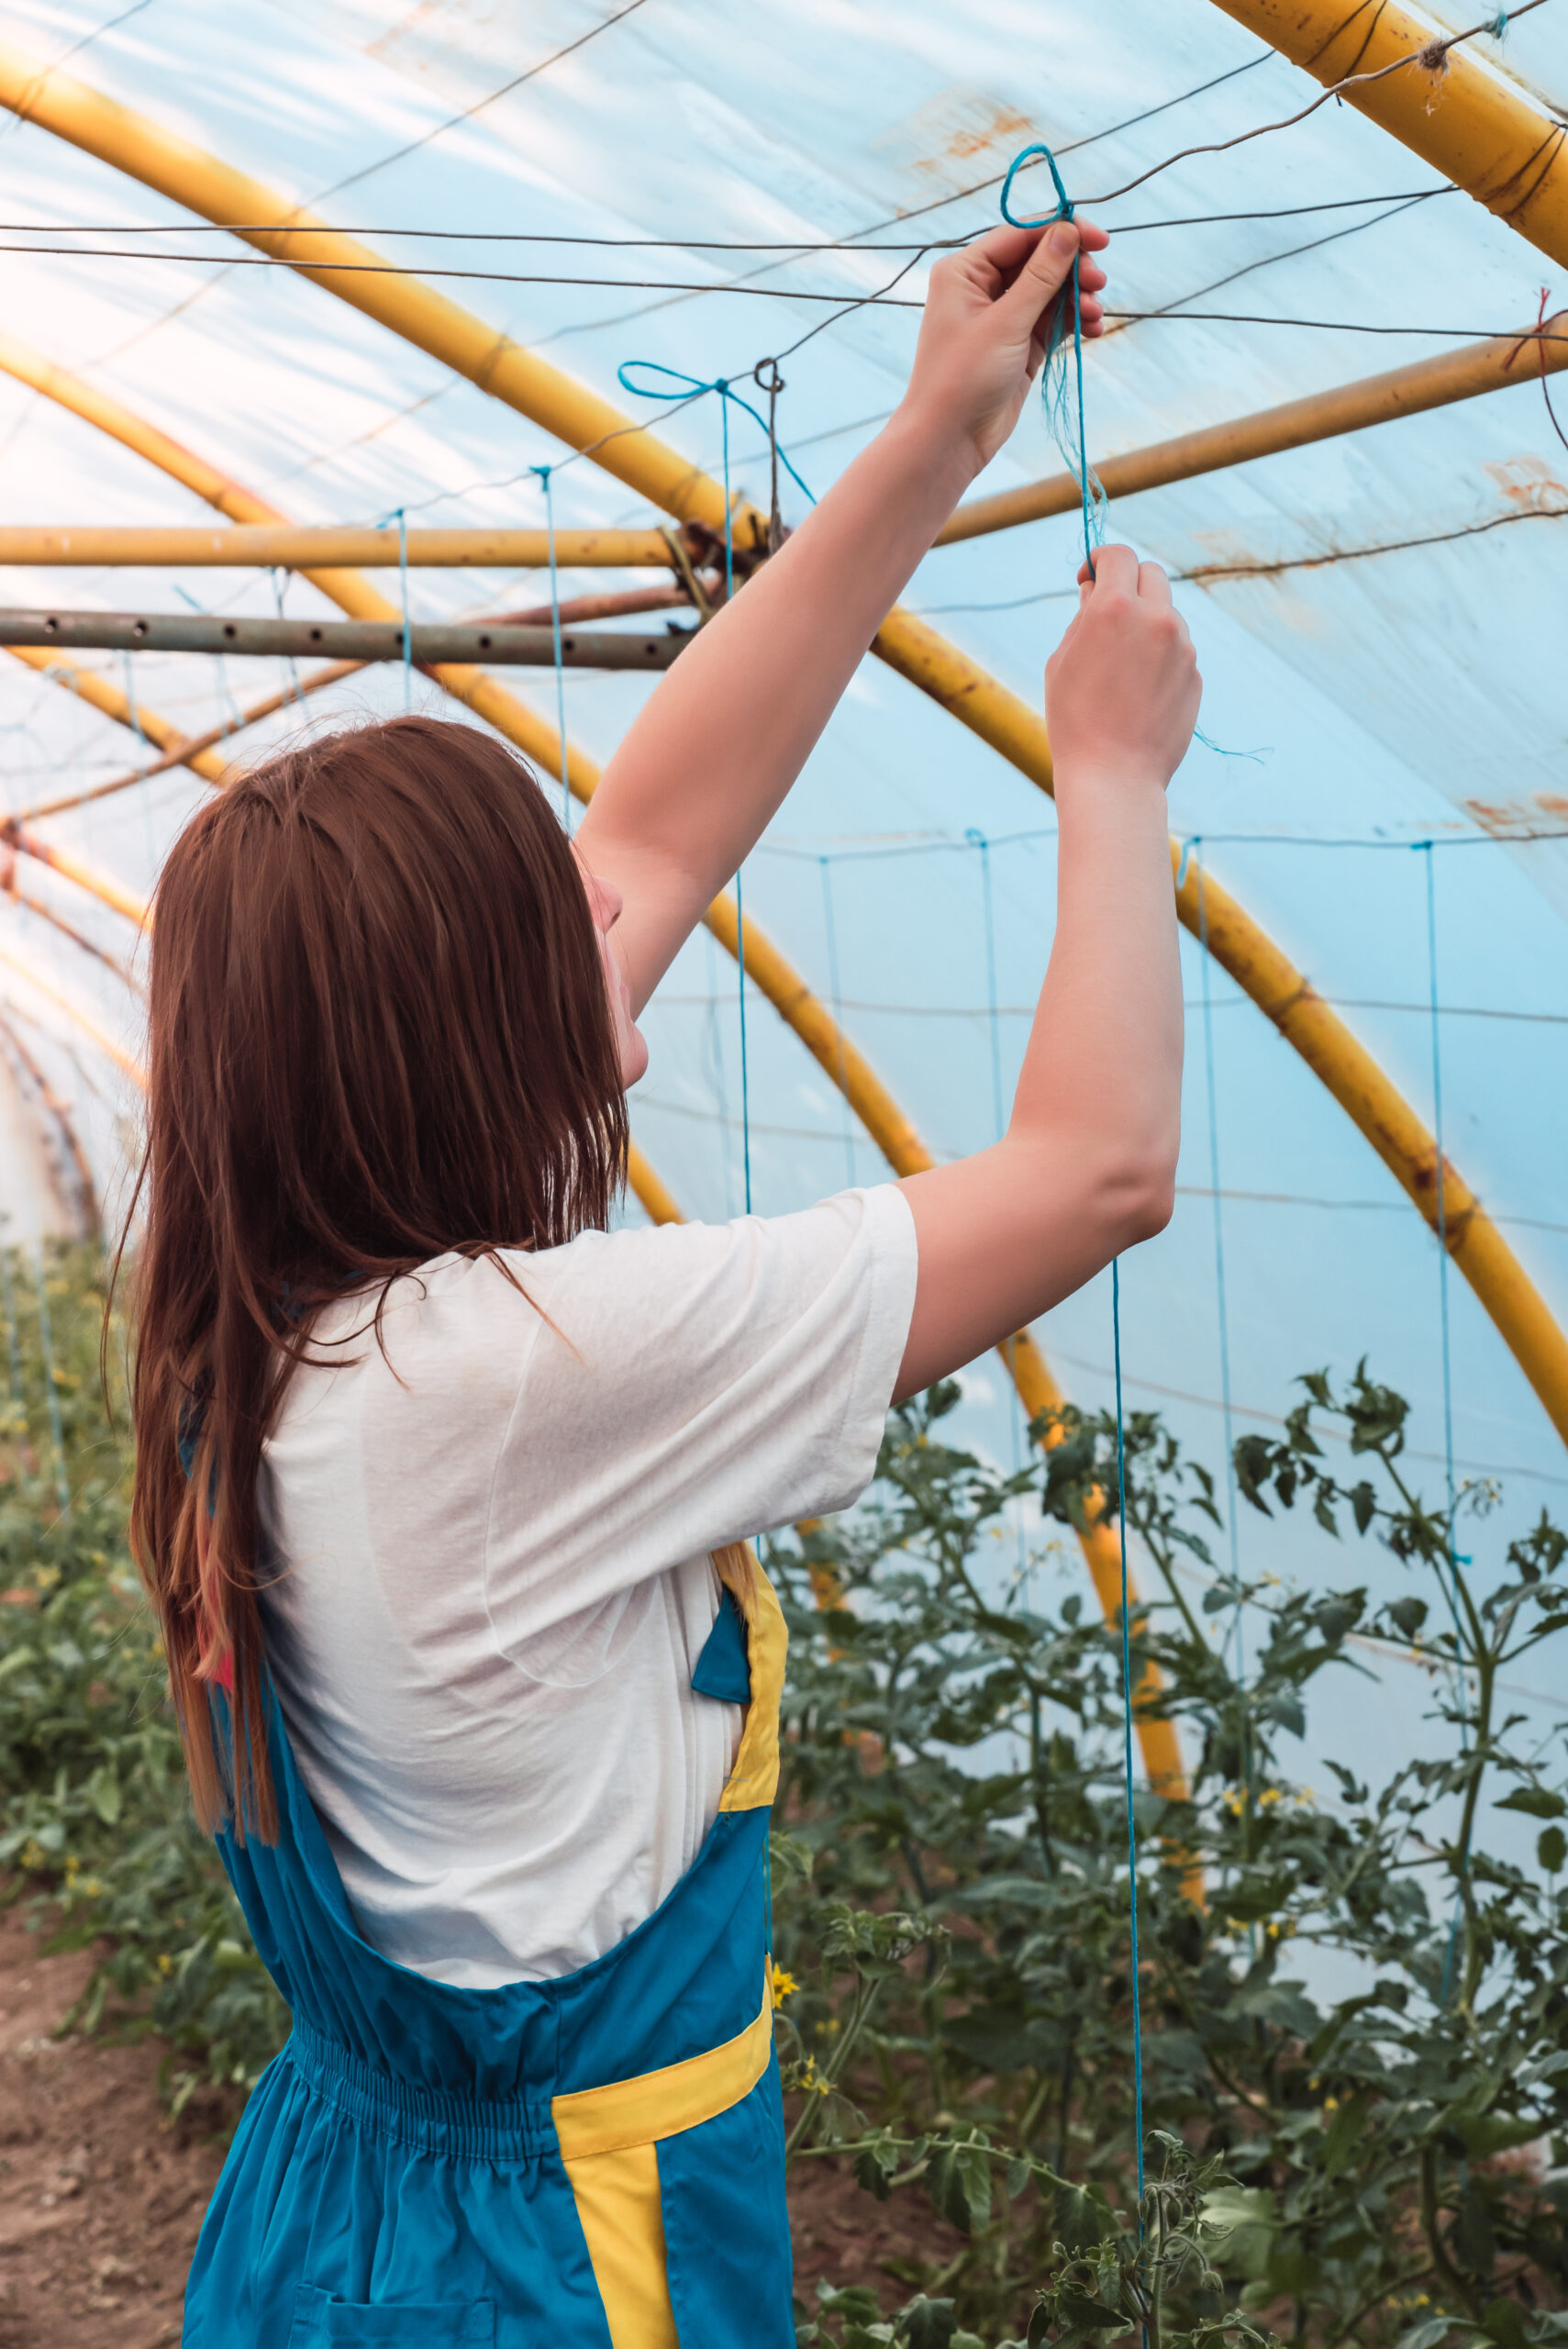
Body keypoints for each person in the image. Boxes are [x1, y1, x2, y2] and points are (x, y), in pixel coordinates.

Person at [128, 214, 1198, 2348]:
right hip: (554, 2267)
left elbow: (647, 849)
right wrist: (1111, 769)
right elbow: (1097, 1170)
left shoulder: (271, 1298)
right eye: (548, 961)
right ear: (450, 1058)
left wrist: (930, 443)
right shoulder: (507, 1382)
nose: (611, 974)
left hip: (349, 2209)